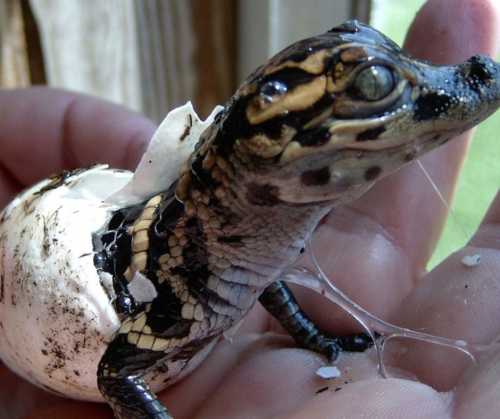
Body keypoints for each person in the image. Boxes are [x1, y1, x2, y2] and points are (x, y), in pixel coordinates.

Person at [1, 0, 499, 417]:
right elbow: (117, 372)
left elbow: (261, 277)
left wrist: (308, 335)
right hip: (65, 283)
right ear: (272, 150)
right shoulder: (186, 284)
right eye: (372, 87)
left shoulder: (231, 247)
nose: (470, 79)